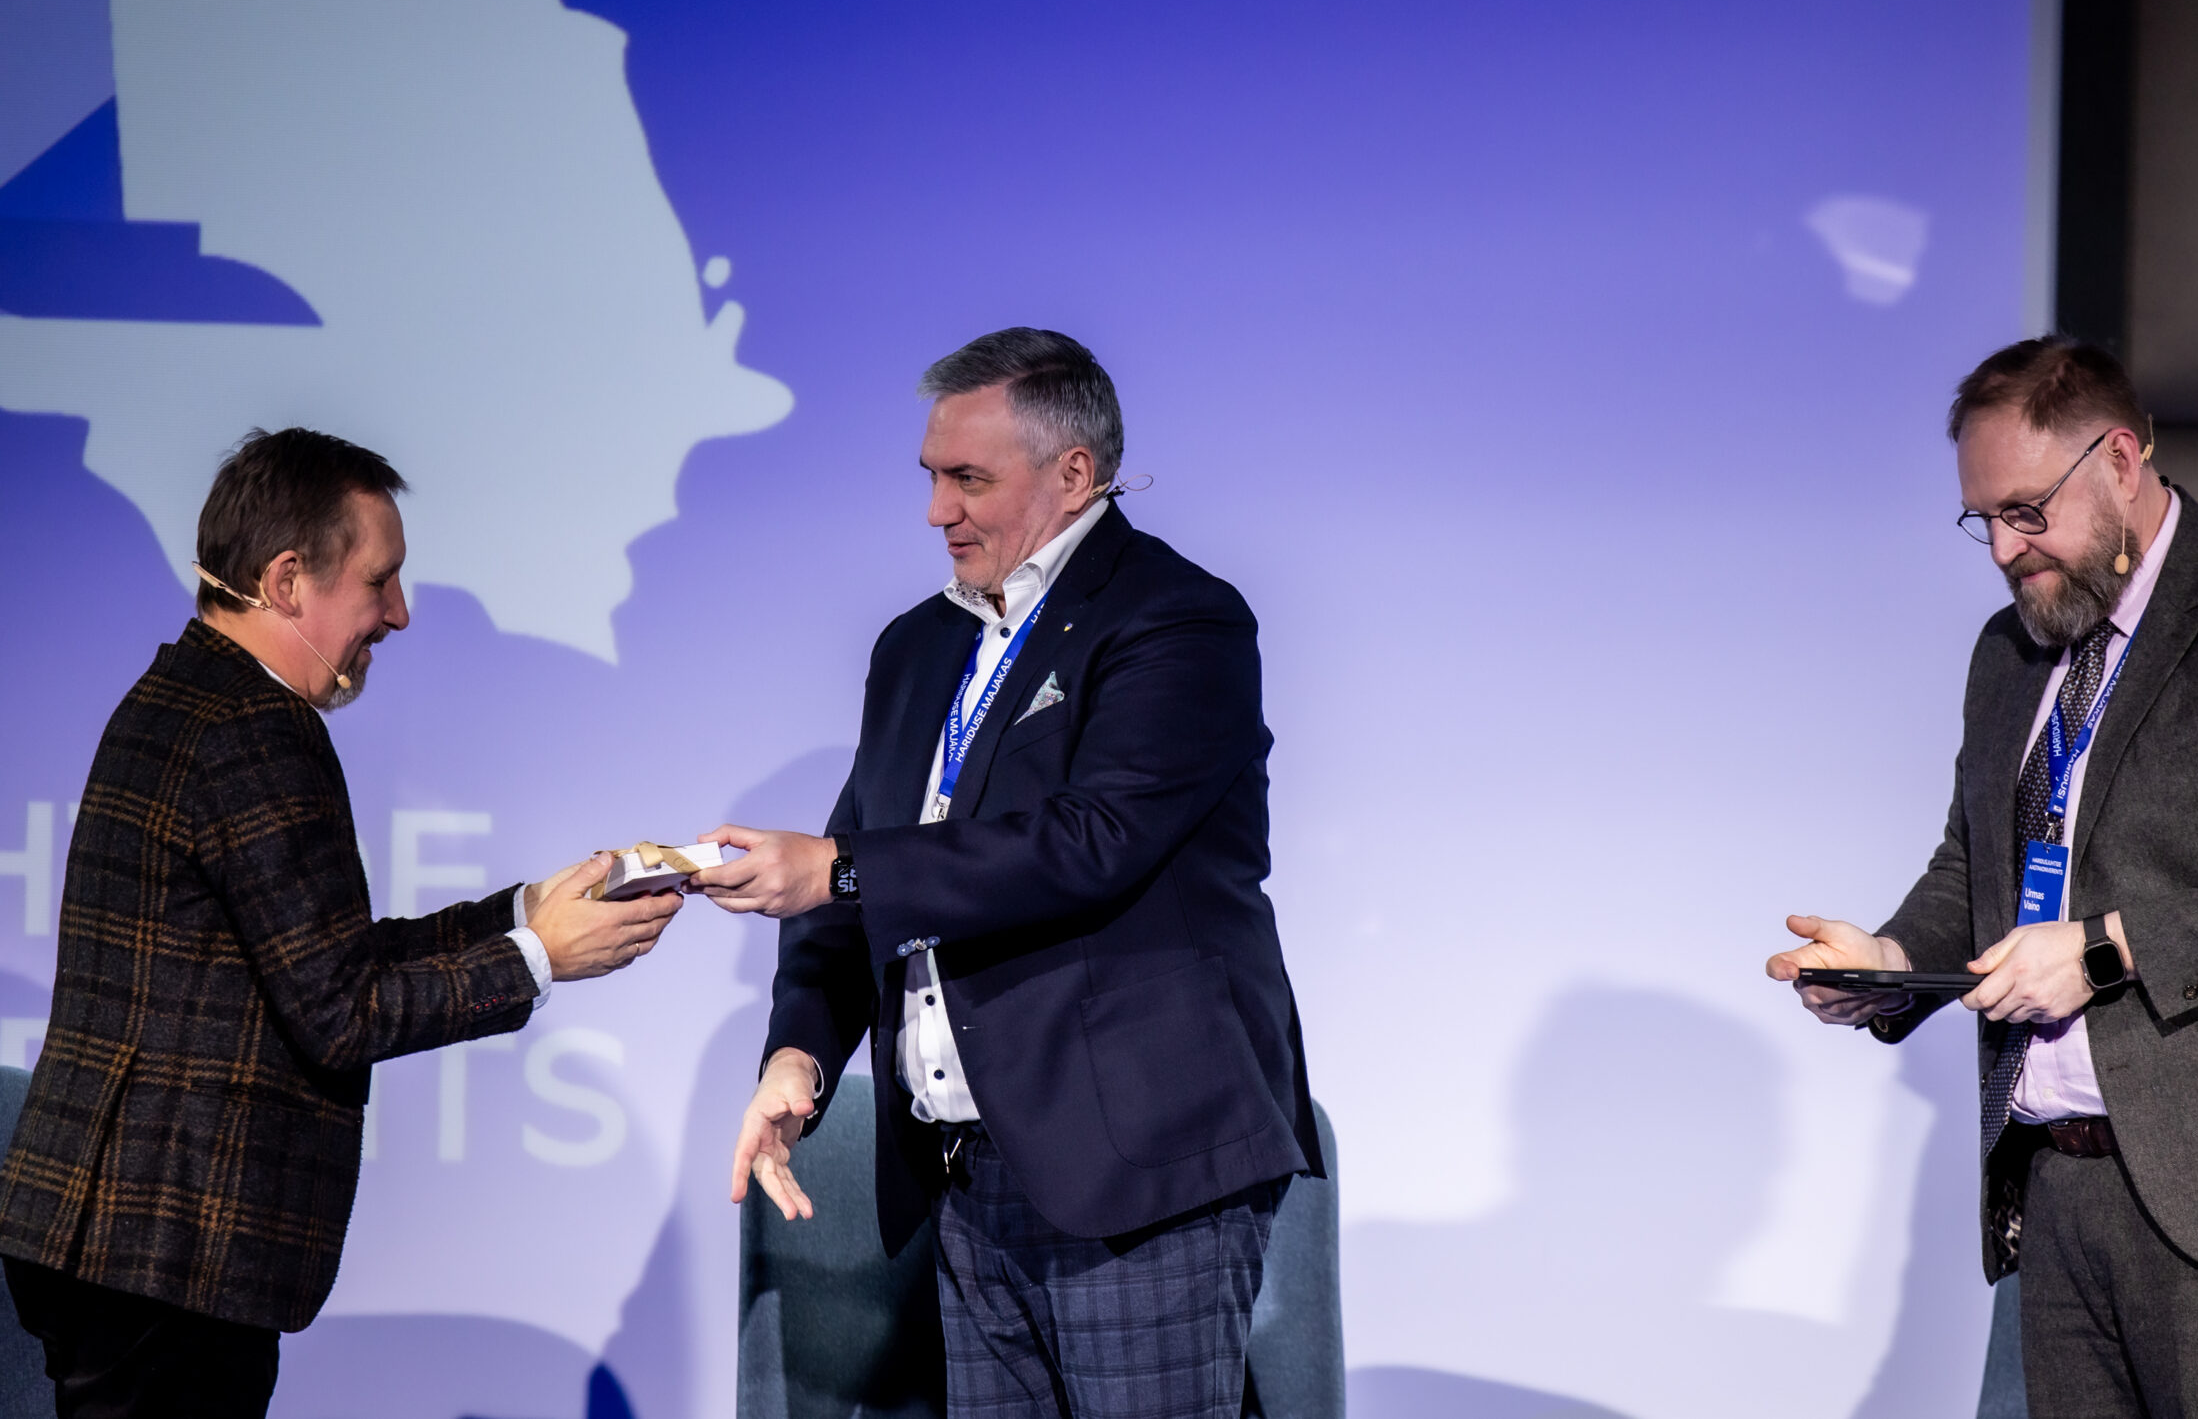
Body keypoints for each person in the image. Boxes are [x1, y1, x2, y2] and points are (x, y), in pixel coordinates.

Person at [1767, 338, 2198, 1419]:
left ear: (2121, 460)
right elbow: (1975, 865)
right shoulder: (2009, 653)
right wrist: (1891, 961)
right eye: (1982, 520)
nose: (2004, 547)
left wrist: (2102, 948)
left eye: (2027, 510)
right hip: (2058, 1185)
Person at [692, 327, 1320, 1419]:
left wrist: (838, 868)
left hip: (1141, 1172)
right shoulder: (914, 648)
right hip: (967, 1178)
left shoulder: (1177, 619)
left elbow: (1091, 840)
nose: (937, 510)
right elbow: (856, 879)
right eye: (931, 476)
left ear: (1073, 472)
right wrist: (798, 1052)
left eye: (969, 478)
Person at [0, 427, 682, 1419]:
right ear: (286, 580)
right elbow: (341, 1010)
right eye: (379, 580)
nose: (399, 613)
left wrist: (524, 910)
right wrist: (538, 958)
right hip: (169, 1252)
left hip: (118, 1236)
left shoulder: (185, 693)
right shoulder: (256, 730)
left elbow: (317, 953)